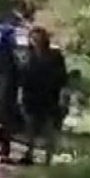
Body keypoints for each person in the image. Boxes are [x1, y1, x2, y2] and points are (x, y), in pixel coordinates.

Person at [18, 25, 68, 165]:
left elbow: (63, 77)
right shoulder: (27, 56)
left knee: (49, 129)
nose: (36, 41)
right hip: (31, 98)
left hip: (50, 97)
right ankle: (29, 154)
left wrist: (62, 96)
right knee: (30, 129)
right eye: (33, 38)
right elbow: (22, 78)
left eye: (38, 38)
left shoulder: (55, 56)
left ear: (44, 39)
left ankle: (48, 158)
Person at [0, 16, 24, 163]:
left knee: (1, 124)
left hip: (3, 93)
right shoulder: (6, 54)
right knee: (5, 125)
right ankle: (2, 152)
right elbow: (8, 74)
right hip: (6, 93)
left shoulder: (2, 53)